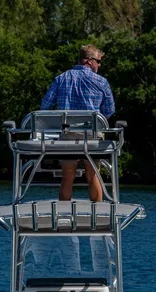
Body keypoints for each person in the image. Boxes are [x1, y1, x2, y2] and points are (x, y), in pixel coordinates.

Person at [40, 44, 115, 202]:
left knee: (67, 176)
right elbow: (109, 111)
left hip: (68, 135)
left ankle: (63, 215)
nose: (99, 65)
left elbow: (45, 107)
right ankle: (98, 215)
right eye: (98, 61)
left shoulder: (61, 78)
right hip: (93, 136)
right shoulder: (101, 82)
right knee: (92, 174)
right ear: (89, 61)